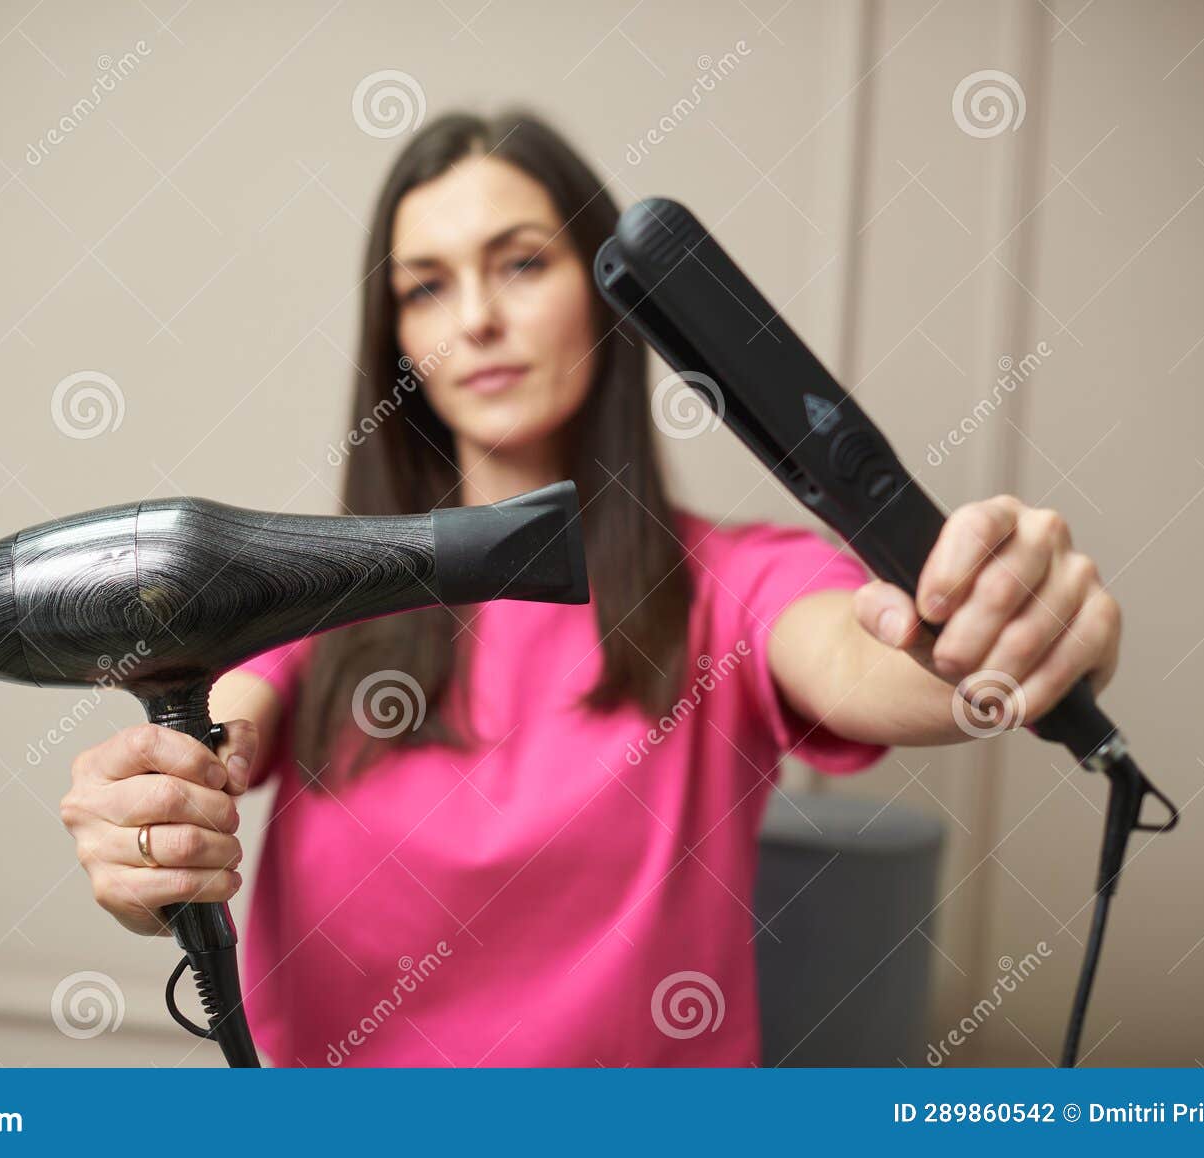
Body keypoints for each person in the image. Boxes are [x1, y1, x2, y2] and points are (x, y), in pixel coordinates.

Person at [57, 111, 1121, 1066]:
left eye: (520, 264)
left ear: (611, 297)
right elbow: (208, 745)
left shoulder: (734, 587)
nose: (473, 317)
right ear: (396, 343)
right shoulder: (314, 591)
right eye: (426, 284)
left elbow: (874, 657)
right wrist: (152, 827)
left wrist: (997, 627)